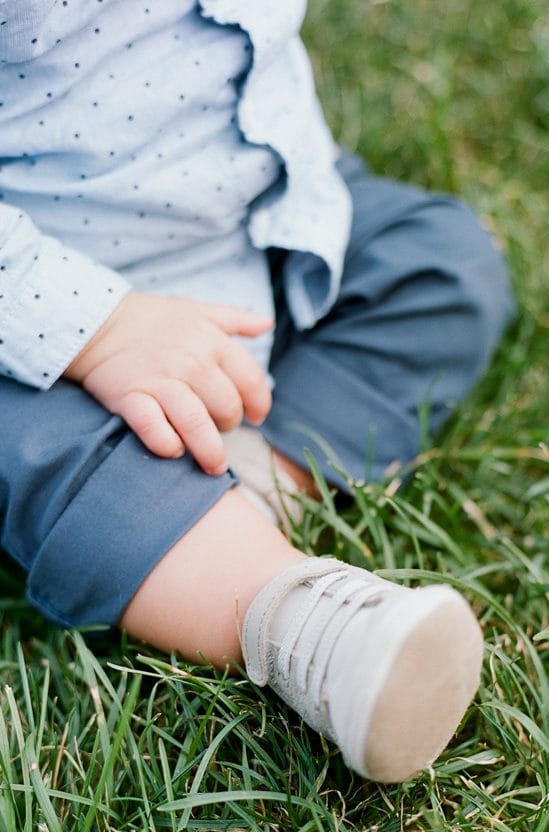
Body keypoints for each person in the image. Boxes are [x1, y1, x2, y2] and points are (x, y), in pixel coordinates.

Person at [0, 1, 515, 782]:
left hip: (260, 218)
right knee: (36, 443)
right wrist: (100, 330)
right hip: (41, 305)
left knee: (442, 265)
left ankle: (235, 491)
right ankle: (292, 618)